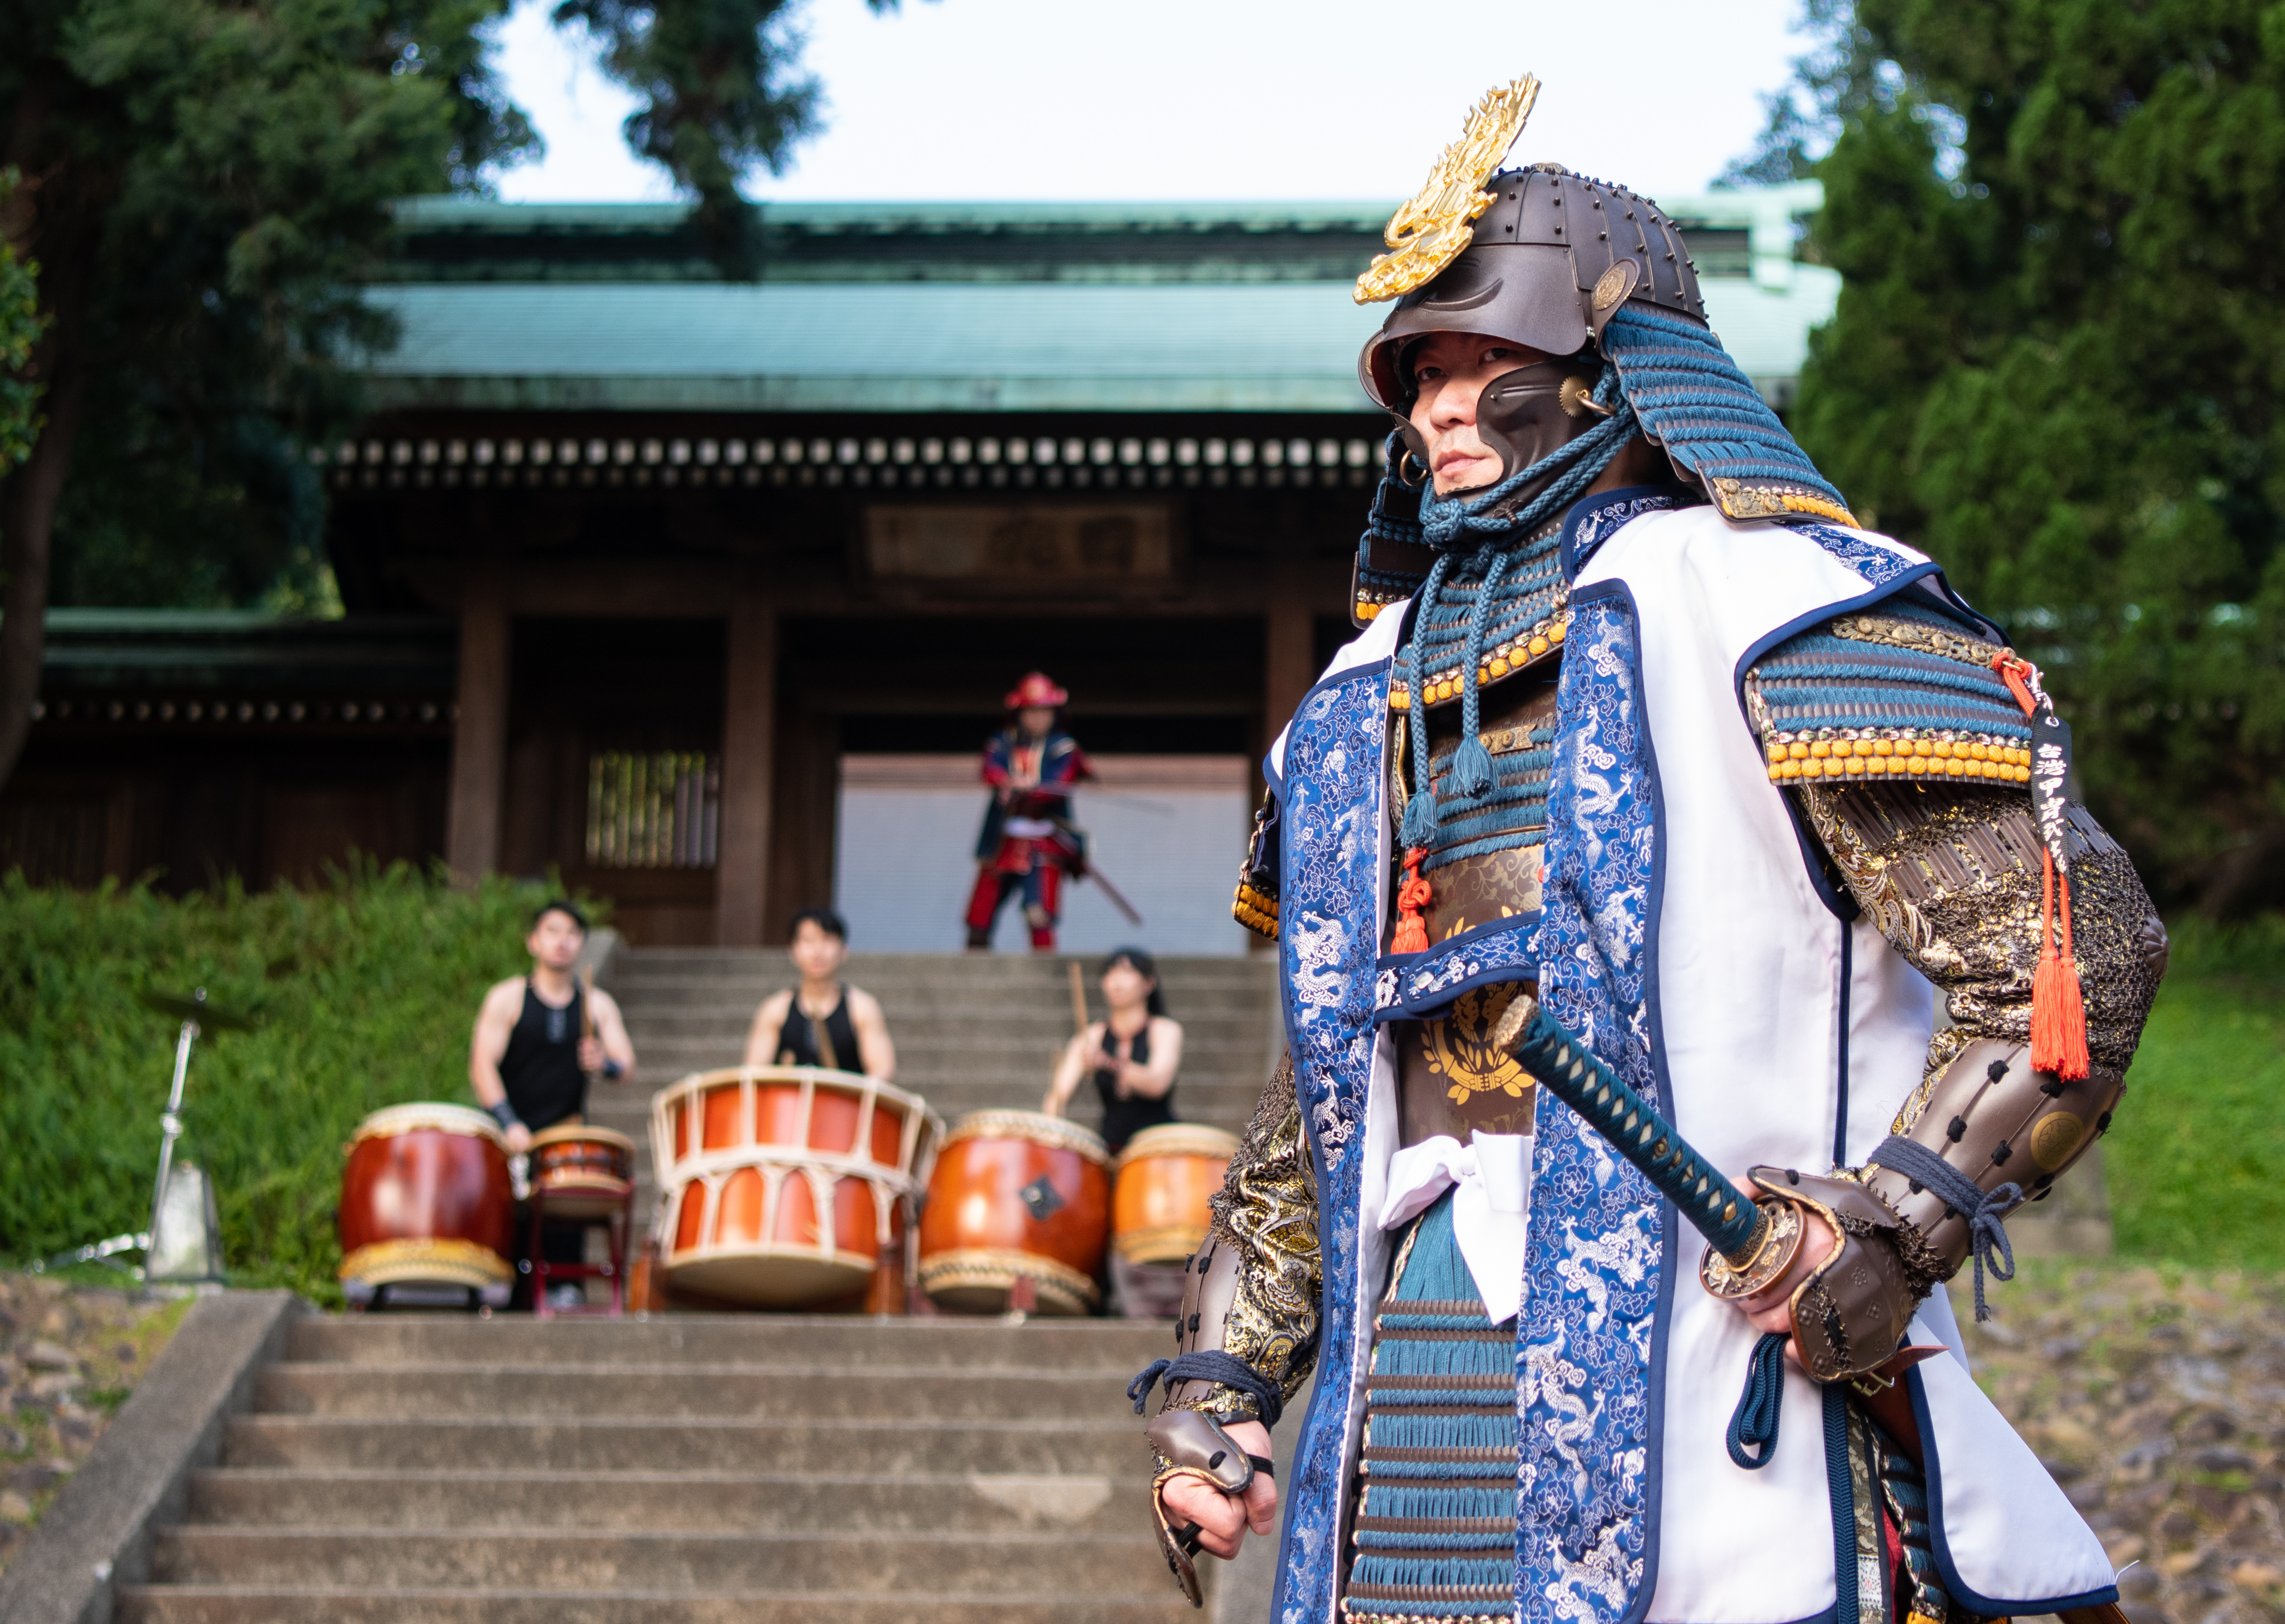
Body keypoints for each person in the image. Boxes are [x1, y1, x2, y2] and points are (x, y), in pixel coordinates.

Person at [1129, 79, 2169, 1624]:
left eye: (1485, 362)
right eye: (1419, 371)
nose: (1437, 408)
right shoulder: (1360, 697)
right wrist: (1228, 1369)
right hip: (1412, 1372)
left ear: (1618, 372)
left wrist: (1889, 1220)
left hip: (1729, 1339)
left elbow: (2065, 962)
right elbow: (1329, 1085)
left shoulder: (1781, 610)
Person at [469, 899, 637, 1309]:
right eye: (552, 932)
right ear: (533, 941)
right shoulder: (508, 998)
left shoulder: (596, 1004)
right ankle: (503, 1284)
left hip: (565, 1127)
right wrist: (507, 1121)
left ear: (581, 943)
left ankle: (566, 1286)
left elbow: (626, 1065)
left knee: (571, 1186)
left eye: (571, 934)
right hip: (512, 1127)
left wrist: (605, 1063)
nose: (561, 942)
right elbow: (481, 1066)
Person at [964, 671, 1095, 952]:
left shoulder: (1064, 748)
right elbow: (990, 770)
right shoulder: (1002, 742)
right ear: (1020, 713)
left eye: (1044, 711)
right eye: (1031, 711)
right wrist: (1007, 782)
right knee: (979, 914)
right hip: (1003, 839)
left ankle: (1044, 977)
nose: (1037, 717)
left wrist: (1032, 787)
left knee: (1040, 914)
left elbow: (1063, 781)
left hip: (1045, 839)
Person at [1043, 946, 1184, 1155]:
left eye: (1127, 973)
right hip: (1110, 1146)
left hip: (1160, 1147)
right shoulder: (1091, 1037)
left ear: (1148, 983)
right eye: (1110, 973)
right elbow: (1058, 1096)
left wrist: (1109, 1064)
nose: (1116, 981)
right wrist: (1051, 1123)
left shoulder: (1165, 1030)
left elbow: (1157, 1083)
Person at [742, 908, 896, 1080]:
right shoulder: (775, 1010)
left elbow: (882, 1070)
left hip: (848, 1105)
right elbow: (754, 1073)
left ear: (843, 950)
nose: (818, 951)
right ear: (793, 951)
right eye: (808, 941)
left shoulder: (862, 1007)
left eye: (828, 940)